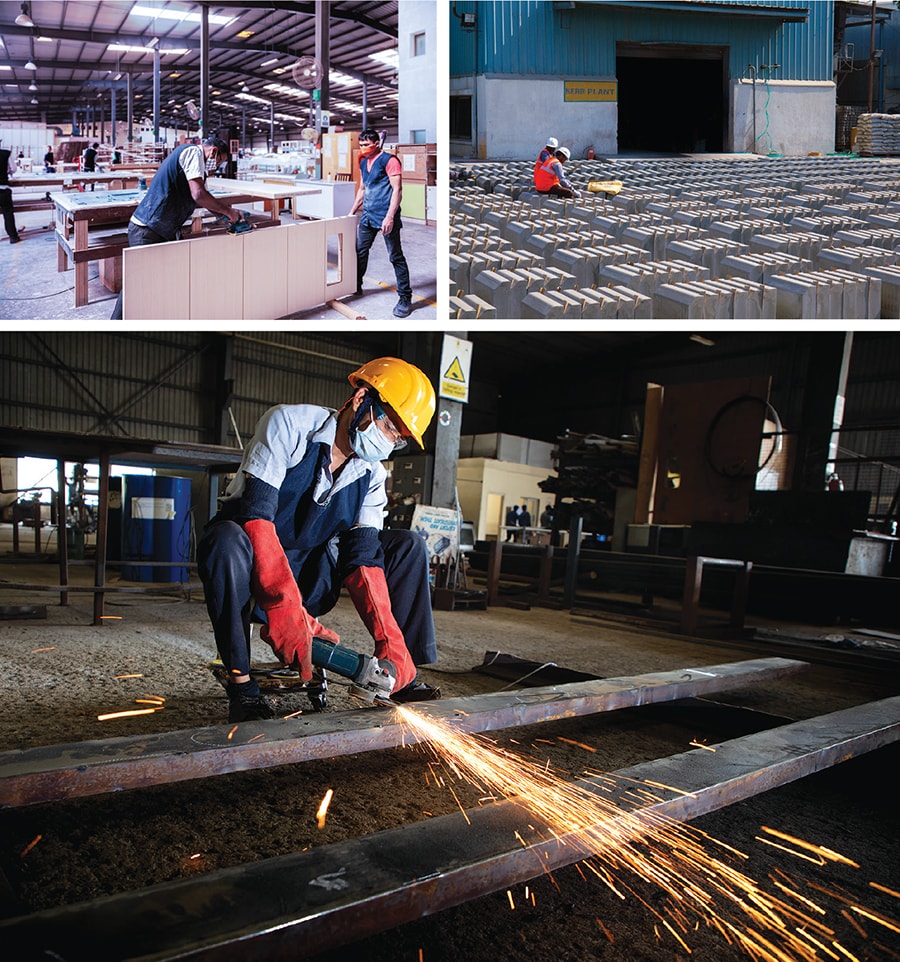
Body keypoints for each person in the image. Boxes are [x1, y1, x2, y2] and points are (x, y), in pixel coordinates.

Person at [197, 356, 439, 722]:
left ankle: (401, 672)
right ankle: (242, 686)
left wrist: (388, 636)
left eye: (399, 439)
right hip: (251, 559)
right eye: (390, 427)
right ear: (361, 401)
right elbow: (258, 515)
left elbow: (363, 555)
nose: (389, 443)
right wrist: (283, 607)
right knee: (225, 540)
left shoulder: (371, 472)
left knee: (407, 546)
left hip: (311, 567)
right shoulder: (290, 425)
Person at [110, 134, 241, 320]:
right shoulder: (192, 153)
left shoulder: (198, 168)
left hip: (164, 229)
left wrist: (225, 214)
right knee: (136, 283)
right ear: (213, 151)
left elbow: (202, 197)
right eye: (220, 161)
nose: (218, 166)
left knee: (168, 278)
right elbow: (198, 195)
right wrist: (229, 212)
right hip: (148, 229)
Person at [350, 129, 413, 319]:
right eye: (360, 145)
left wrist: (390, 216)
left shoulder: (390, 161)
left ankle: (405, 297)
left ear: (377, 143)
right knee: (360, 251)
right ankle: (356, 284)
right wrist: (351, 212)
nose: (363, 148)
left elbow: (397, 190)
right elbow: (362, 189)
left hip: (385, 216)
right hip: (368, 215)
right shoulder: (363, 162)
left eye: (366, 145)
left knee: (395, 256)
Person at [1, 141, 22, 244]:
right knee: (8, 213)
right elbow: (14, 169)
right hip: (3, 189)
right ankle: (13, 237)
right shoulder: (6, 153)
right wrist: (8, 172)